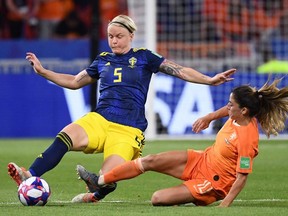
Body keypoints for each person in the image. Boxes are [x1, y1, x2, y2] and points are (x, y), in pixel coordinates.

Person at [7, 14, 236, 203]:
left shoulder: (145, 57)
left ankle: (96, 193)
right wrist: (44, 71)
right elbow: (75, 81)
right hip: (100, 119)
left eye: (119, 36)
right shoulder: (102, 59)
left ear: (131, 36)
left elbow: (180, 70)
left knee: (108, 177)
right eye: (110, 36)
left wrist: (209, 80)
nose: (114, 41)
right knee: (64, 136)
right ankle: (30, 175)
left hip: (128, 128)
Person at [73, 78, 288, 206]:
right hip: (203, 159)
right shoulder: (237, 114)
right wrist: (209, 117)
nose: (227, 107)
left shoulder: (247, 139)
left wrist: (225, 205)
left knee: (157, 198)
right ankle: (99, 182)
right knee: (150, 160)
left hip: (213, 183)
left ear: (244, 110)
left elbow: (241, 178)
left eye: (231, 104)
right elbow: (226, 110)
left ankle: (201, 198)